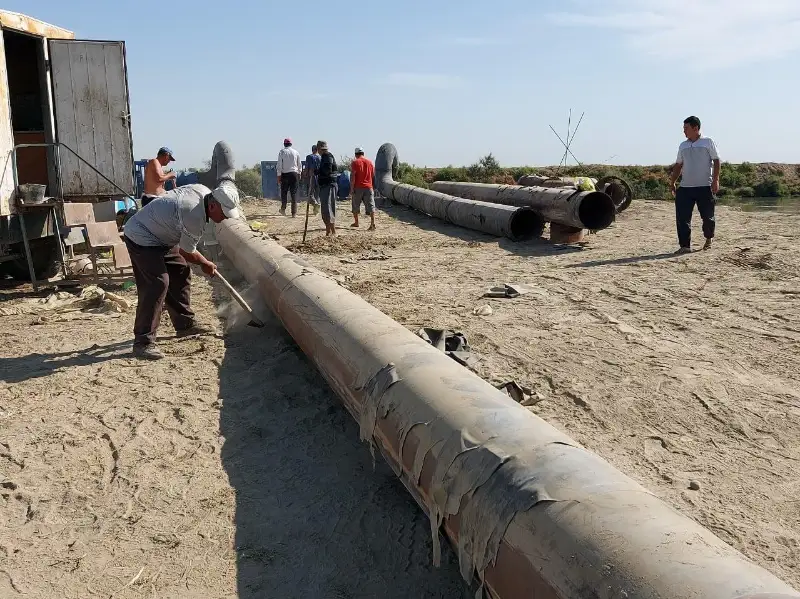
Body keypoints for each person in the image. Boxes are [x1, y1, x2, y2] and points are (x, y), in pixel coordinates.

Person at [123, 183, 242, 360]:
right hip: (142, 236)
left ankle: (184, 324)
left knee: (180, 271)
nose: (225, 217)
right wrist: (205, 263)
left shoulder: (203, 191)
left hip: (163, 234)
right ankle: (143, 342)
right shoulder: (194, 214)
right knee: (157, 283)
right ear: (212, 206)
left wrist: (203, 261)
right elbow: (187, 252)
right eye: (224, 213)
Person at [669, 116, 720, 254]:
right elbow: (678, 165)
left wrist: (715, 180)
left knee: (708, 217)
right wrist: (672, 182)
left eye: (686, 128)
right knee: (682, 218)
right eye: (683, 128)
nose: (684, 131)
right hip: (686, 187)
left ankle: (709, 238)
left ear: (695, 128)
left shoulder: (707, 142)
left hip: (705, 186)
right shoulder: (683, 145)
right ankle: (685, 246)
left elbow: (716, 161)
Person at [349, 147, 376, 230]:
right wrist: (373, 186)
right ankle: (372, 223)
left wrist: (351, 188)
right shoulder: (370, 162)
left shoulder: (355, 162)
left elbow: (353, 176)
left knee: (355, 206)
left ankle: (356, 222)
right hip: (369, 187)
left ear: (355, 154)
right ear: (363, 153)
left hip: (358, 187)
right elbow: (373, 175)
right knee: (371, 206)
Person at [316, 140, 339, 236]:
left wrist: (318, 172)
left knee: (328, 207)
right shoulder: (325, 157)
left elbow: (327, 171)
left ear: (319, 149)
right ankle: (328, 231)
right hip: (327, 185)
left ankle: (332, 231)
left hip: (328, 185)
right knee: (326, 207)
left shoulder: (327, 156)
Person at [277, 137, 302, 217]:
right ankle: (294, 213)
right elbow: (299, 165)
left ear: (284, 144)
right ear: (291, 144)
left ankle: (283, 209)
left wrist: (279, 176)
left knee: (284, 193)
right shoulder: (296, 152)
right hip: (294, 174)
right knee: (293, 193)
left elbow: (279, 165)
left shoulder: (282, 152)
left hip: (285, 174)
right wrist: (299, 174)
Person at [302, 145, 321, 215]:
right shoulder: (320, 157)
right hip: (319, 177)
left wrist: (304, 174)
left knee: (310, 193)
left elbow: (307, 167)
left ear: (312, 149)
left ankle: (315, 203)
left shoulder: (309, 157)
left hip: (311, 176)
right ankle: (316, 210)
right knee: (317, 194)